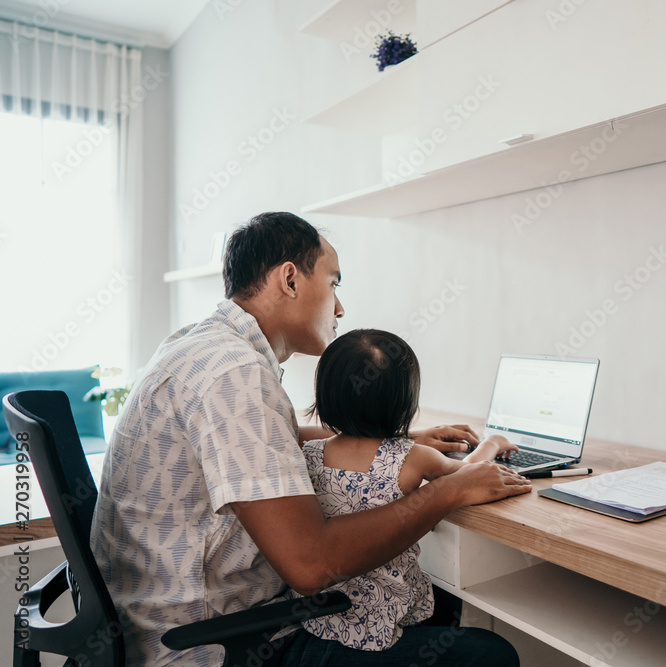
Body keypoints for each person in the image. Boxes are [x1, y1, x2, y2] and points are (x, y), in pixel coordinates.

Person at [90, 212, 532, 666]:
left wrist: (389, 444)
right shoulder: (236, 374)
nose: (339, 307)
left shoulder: (202, 347)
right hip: (212, 647)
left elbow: (266, 439)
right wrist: (447, 490)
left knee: (440, 603)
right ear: (290, 280)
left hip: (159, 626)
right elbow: (310, 566)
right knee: (488, 654)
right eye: (335, 283)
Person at [278, 328, 519, 663]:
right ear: (406, 403)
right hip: (383, 621)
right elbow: (468, 476)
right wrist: (491, 443)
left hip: (321, 620)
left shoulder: (309, 454)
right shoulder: (410, 456)